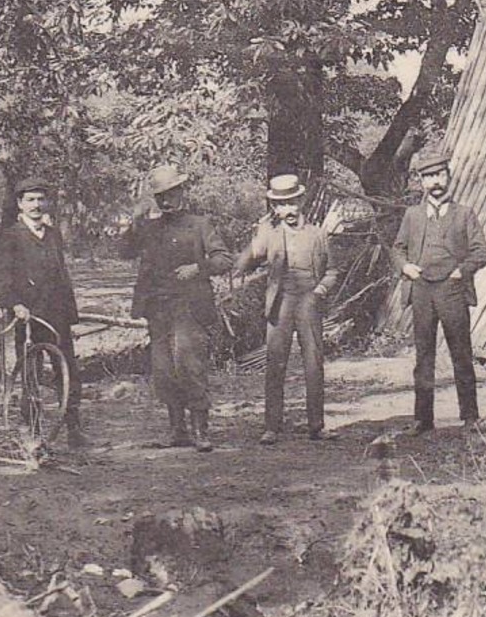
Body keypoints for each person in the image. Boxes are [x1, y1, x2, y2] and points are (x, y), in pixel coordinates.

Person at [124, 165, 232, 451]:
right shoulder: (148, 228)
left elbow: (223, 260)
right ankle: (177, 430)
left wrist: (198, 268)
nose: (166, 201)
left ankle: (200, 431)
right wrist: (134, 222)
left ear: (181, 192)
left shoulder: (200, 224)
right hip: (157, 308)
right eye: (160, 196)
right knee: (163, 370)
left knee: (190, 365)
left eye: (171, 193)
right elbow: (125, 252)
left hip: (190, 307)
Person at [391, 145, 486, 435]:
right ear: (421, 182)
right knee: (424, 356)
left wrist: (462, 271)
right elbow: (398, 248)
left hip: (452, 290)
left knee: (461, 353)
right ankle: (423, 419)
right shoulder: (412, 215)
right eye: (428, 176)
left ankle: (470, 417)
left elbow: (481, 252)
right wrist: (405, 267)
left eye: (439, 175)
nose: (434, 182)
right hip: (421, 289)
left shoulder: (465, 214)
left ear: (448, 177)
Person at [236, 174, 340, 445]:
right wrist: (257, 234)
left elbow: (332, 271)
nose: (289, 210)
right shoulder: (269, 234)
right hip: (280, 302)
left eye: (293, 203)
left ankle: (316, 425)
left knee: (313, 362)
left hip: (309, 300)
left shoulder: (318, 234)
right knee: (275, 362)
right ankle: (272, 426)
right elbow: (247, 260)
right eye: (282, 205)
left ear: (302, 201)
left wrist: (320, 290)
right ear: (274, 208)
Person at [0, 175, 85, 447]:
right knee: (30, 371)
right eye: (30, 200)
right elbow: (1, 277)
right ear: (20, 204)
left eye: (41, 199)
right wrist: (15, 304)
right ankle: (33, 429)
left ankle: (73, 427)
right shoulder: (10, 236)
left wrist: (70, 311)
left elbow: (61, 273)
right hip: (28, 316)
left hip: (57, 314)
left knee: (67, 370)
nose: (36, 205)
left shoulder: (52, 234)